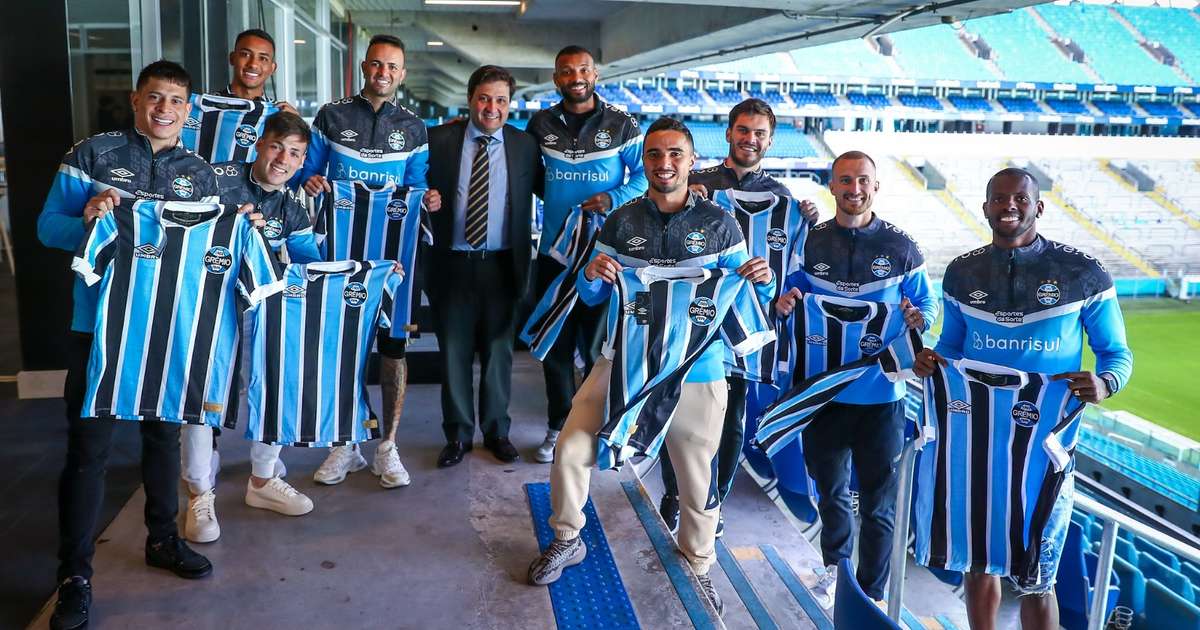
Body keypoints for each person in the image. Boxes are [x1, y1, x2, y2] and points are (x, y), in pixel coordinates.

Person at [526, 117, 774, 616]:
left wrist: (763, 281)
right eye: (655, 155)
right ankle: (568, 537)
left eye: (674, 154)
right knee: (573, 446)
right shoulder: (622, 221)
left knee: (695, 476)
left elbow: (746, 294)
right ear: (644, 161)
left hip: (696, 370)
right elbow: (594, 293)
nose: (664, 164)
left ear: (691, 159)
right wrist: (593, 274)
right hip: (621, 362)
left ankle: (699, 566)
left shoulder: (719, 226)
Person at [38, 60, 220, 630]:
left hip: (165, 329)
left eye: (176, 101)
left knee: (163, 437)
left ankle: (162, 539)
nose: (165, 108)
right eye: (155, 97)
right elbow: (47, 227)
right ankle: (75, 575)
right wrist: (89, 221)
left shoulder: (202, 173)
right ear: (136, 99)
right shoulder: (92, 154)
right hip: (98, 327)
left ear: (189, 112)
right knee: (89, 449)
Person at [914, 167, 1132, 630]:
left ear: (1038, 206)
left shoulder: (1082, 273)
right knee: (977, 559)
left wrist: (1107, 382)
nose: (1008, 206)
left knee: (1038, 574)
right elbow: (953, 344)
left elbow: (1116, 354)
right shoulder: (961, 272)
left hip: (1045, 446)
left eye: (1018, 198)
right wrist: (936, 361)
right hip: (975, 438)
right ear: (986, 206)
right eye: (998, 198)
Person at [772, 150, 938, 607]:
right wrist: (784, 305)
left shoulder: (901, 247)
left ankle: (873, 592)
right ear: (832, 186)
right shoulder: (811, 242)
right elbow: (787, 296)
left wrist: (918, 316)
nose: (854, 189)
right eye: (845, 181)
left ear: (876, 186)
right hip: (822, 393)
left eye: (863, 180)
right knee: (830, 493)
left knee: (879, 506)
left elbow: (929, 308)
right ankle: (834, 572)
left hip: (882, 397)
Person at [657, 97, 818, 535]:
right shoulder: (697, 183)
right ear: (728, 134)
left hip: (748, 329)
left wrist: (785, 297)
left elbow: (795, 273)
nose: (750, 139)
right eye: (743, 130)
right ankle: (675, 493)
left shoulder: (785, 200)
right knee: (681, 411)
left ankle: (712, 503)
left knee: (731, 419)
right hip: (694, 318)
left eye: (759, 133)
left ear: (769, 140)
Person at [298, 34, 439, 489]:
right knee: (342, 347)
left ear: (402, 74)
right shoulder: (332, 116)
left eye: (392, 67)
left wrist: (428, 198)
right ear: (364, 66)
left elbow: (417, 184)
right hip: (342, 250)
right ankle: (347, 443)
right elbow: (308, 170)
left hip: (394, 253)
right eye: (376, 64)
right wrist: (313, 182)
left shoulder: (414, 128)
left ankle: (388, 447)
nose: (383, 73)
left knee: (393, 349)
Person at [178, 111, 321, 544]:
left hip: (262, 311)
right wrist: (227, 222)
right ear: (260, 144)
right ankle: (199, 495)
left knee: (275, 385)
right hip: (207, 307)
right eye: (277, 146)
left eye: (294, 153)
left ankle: (262, 481)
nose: (283, 159)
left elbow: (308, 259)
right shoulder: (215, 178)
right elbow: (178, 223)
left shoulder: (293, 206)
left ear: (301, 162)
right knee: (201, 397)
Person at [525, 45, 646, 463]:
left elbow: (646, 177)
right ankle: (558, 427)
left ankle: (597, 429)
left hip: (607, 256)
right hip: (556, 253)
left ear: (595, 75)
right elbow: (532, 177)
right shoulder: (540, 123)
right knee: (554, 343)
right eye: (566, 71)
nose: (575, 77)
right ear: (556, 78)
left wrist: (613, 198)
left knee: (600, 347)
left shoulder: (621, 122)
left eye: (583, 70)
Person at [424, 66, 543, 467]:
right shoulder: (438, 139)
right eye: (484, 98)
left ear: (511, 104)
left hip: (502, 264)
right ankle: (457, 435)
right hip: (451, 263)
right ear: (471, 98)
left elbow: (552, 188)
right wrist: (425, 198)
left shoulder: (525, 145)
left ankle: (497, 431)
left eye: (501, 100)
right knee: (453, 352)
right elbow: (411, 182)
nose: (492, 108)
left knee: (499, 353)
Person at [216, 28, 298, 114]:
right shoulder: (205, 107)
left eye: (263, 58)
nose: (253, 64)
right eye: (245, 54)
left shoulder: (281, 114)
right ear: (232, 58)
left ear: (272, 68)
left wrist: (297, 124)